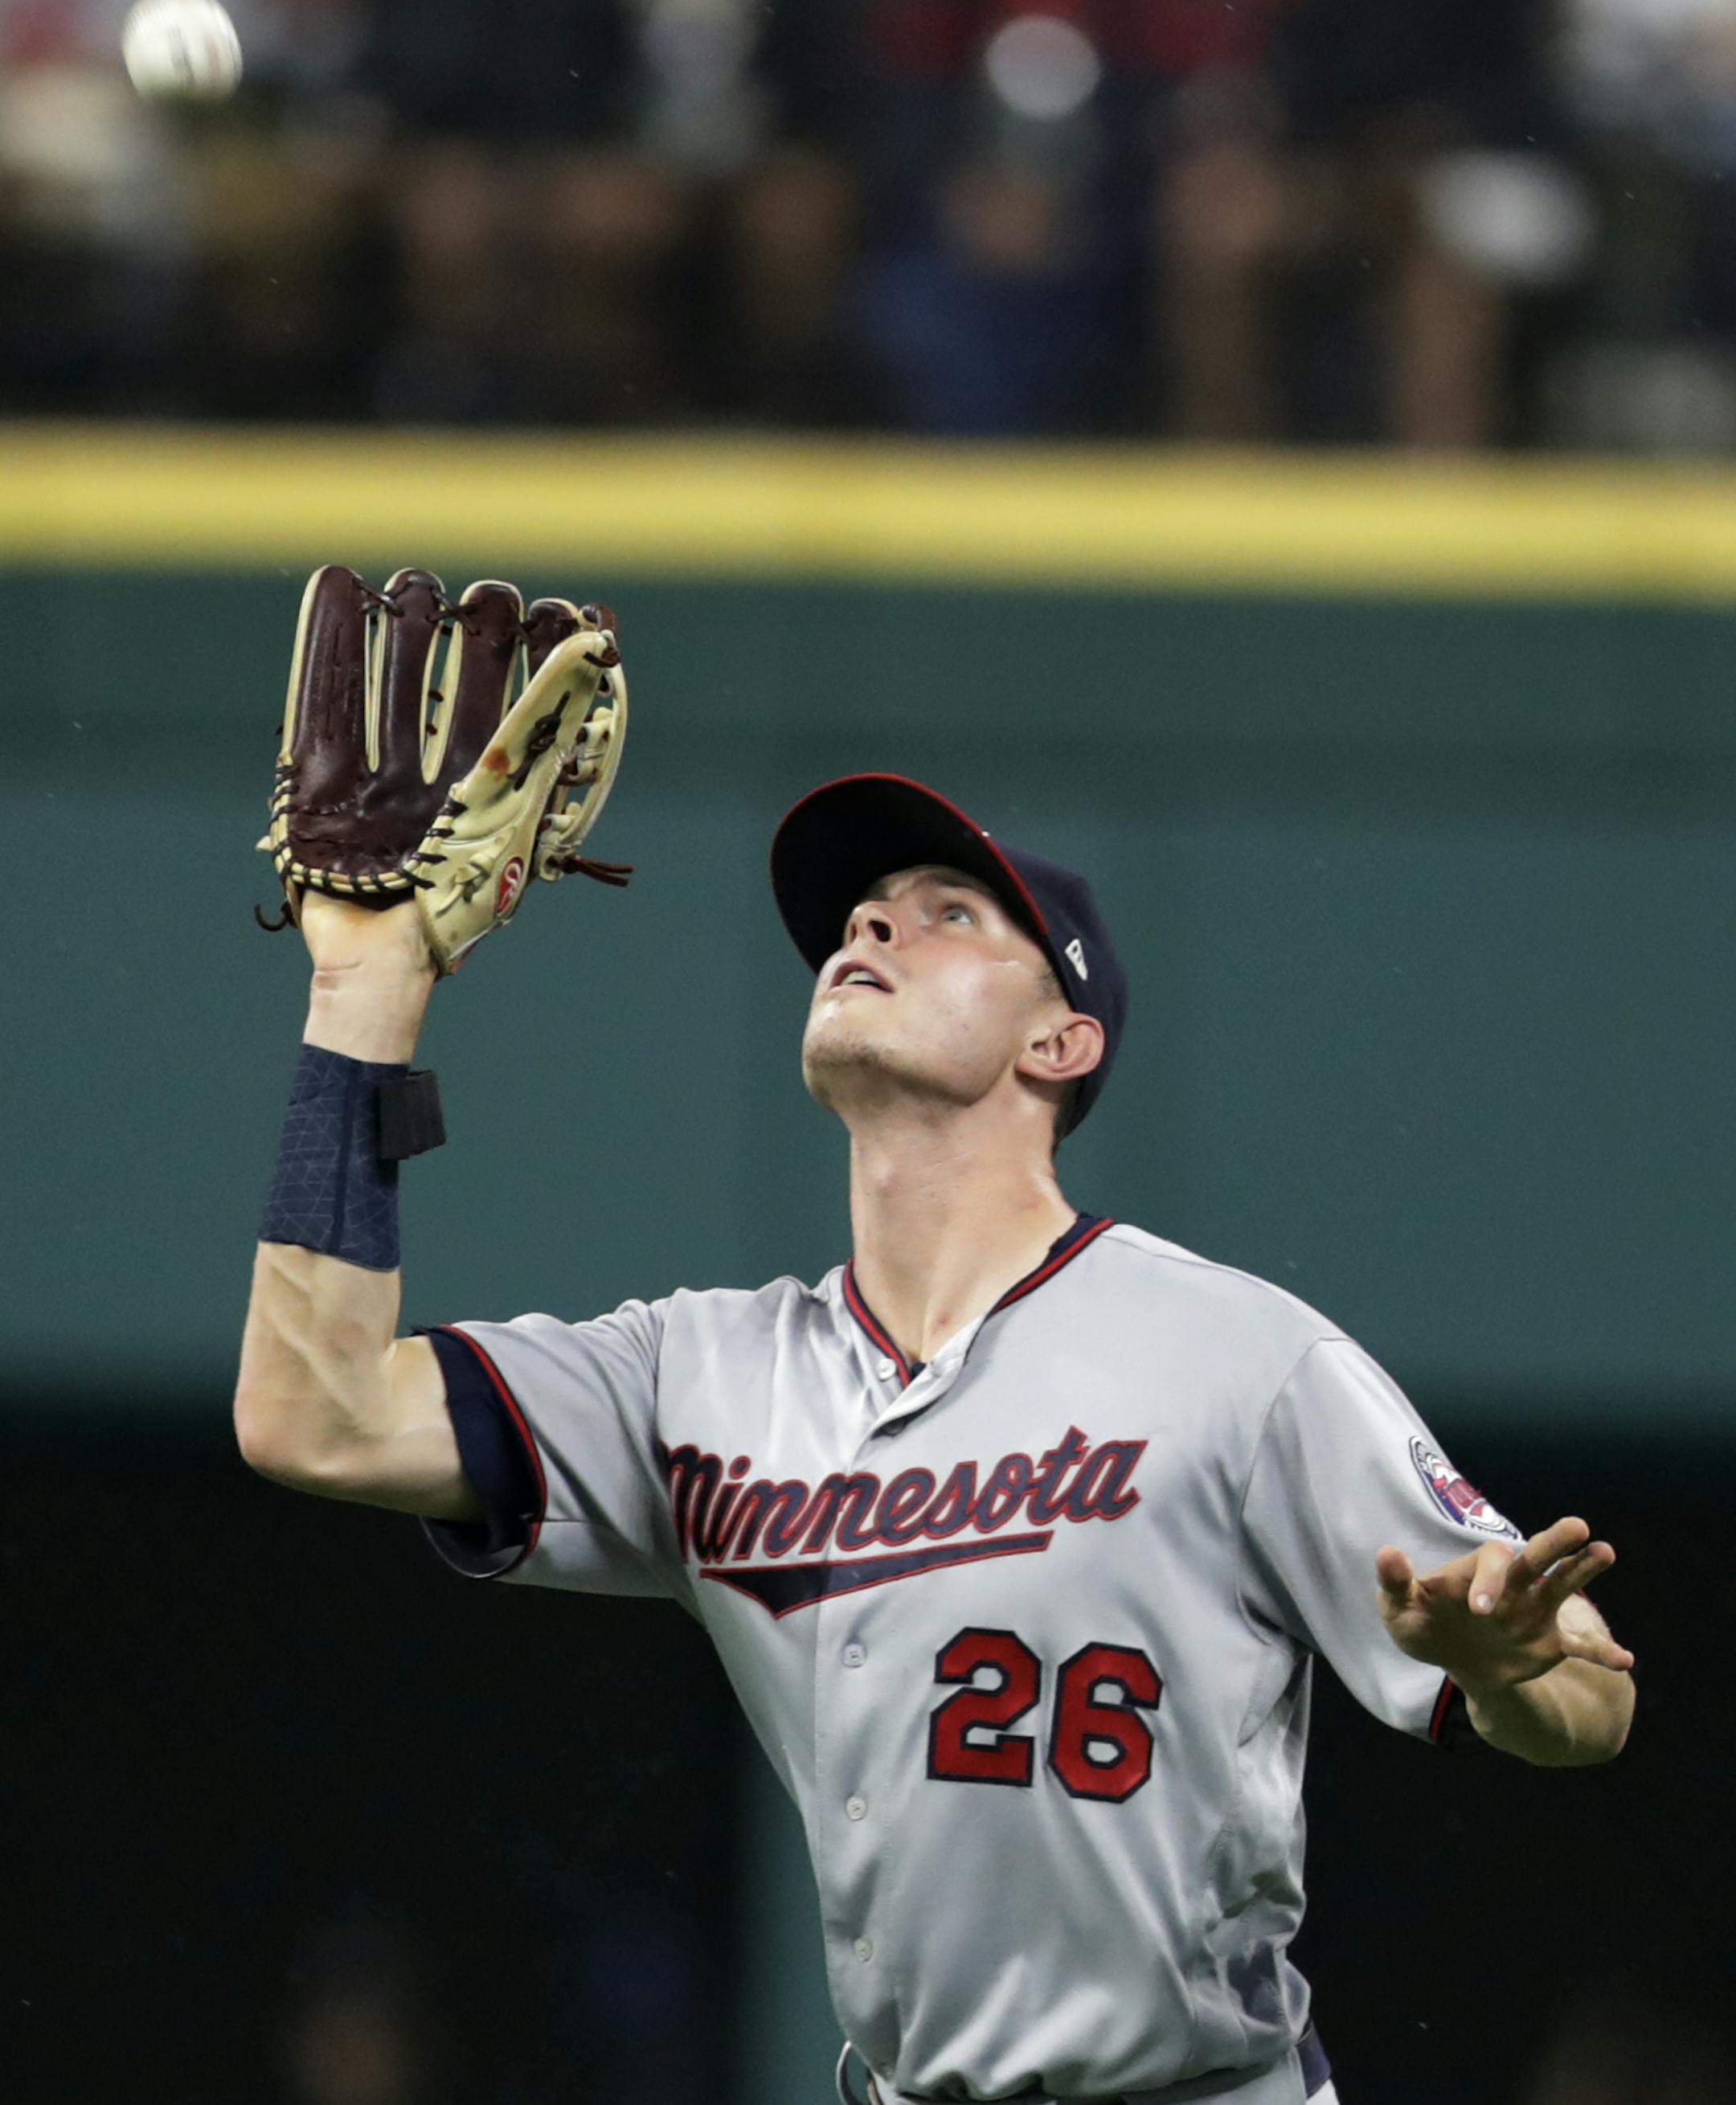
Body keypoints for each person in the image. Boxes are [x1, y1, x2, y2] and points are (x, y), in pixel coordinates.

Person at [235, 770, 1636, 2105]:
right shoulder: (698, 1372)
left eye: (949, 910)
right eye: (862, 913)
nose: (871, 924)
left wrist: (1516, 1673)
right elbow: (318, 1413)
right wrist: (366, 997)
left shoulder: (1242, 1357)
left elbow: (1593, 1696)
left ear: (1060, 1038)